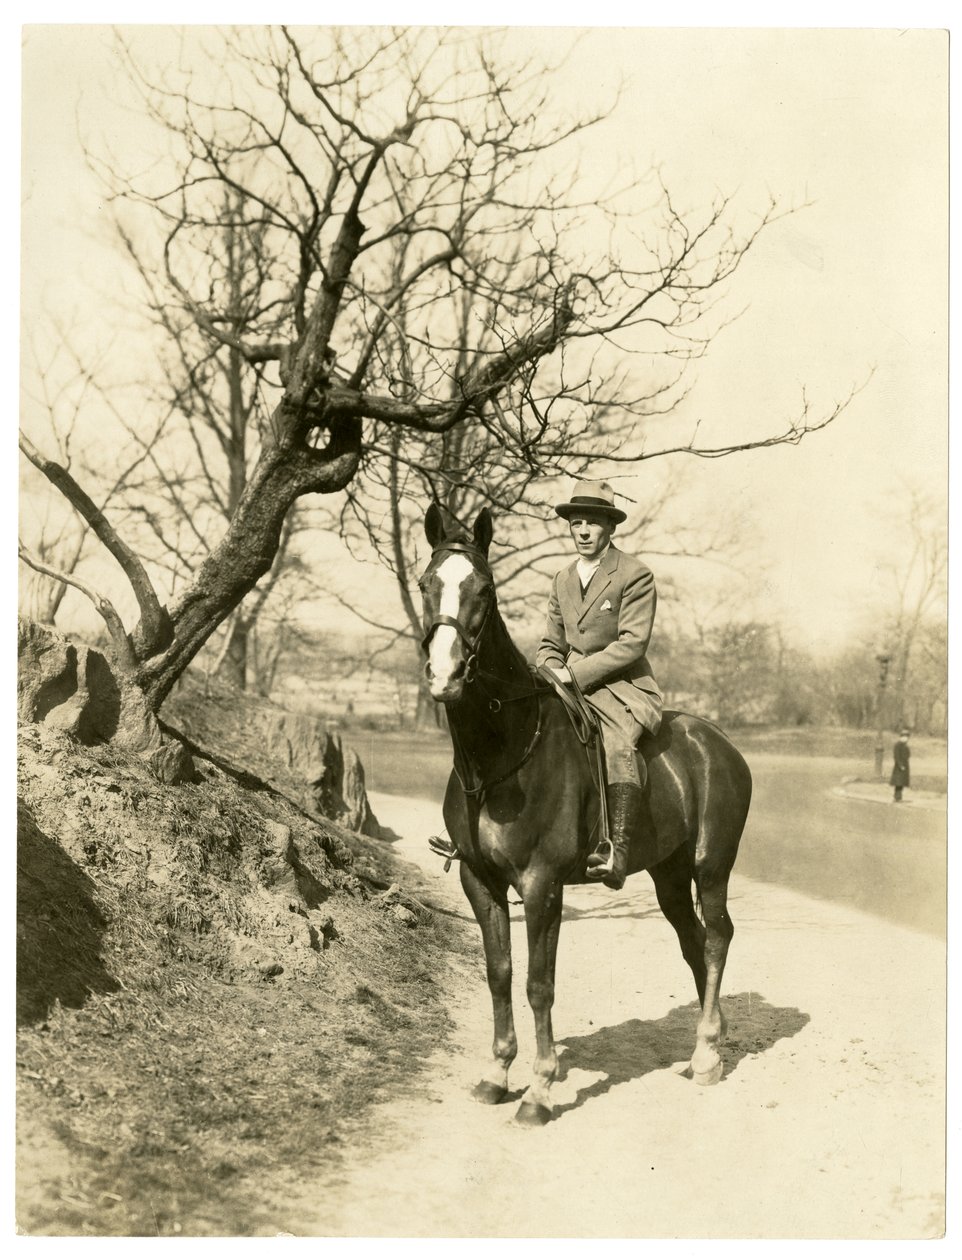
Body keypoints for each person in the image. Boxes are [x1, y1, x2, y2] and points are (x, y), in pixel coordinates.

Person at [536, 480, 663, 889]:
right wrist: (550, 668)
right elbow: (550, 643)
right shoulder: (562, 579)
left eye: (592, 522)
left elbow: (632, 644)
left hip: (621, 686)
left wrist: (574, 674)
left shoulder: (635, 574)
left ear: (610, 527)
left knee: (617, 743)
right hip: (568, 682)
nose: (583, 531)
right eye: (576, 523)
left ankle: (616, 850)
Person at [891, 728, 911, 803]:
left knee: (901, 783)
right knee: (898, 783)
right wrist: (900, 765)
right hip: (899, 767)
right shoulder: (898, 745)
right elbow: (896, 756)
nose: (906, 738)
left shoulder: (905, 745)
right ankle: (897, 797)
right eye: (905, 737)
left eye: (907, 737)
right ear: (901, 737)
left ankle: (898, 797)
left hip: (905, 766)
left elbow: (908, 755)